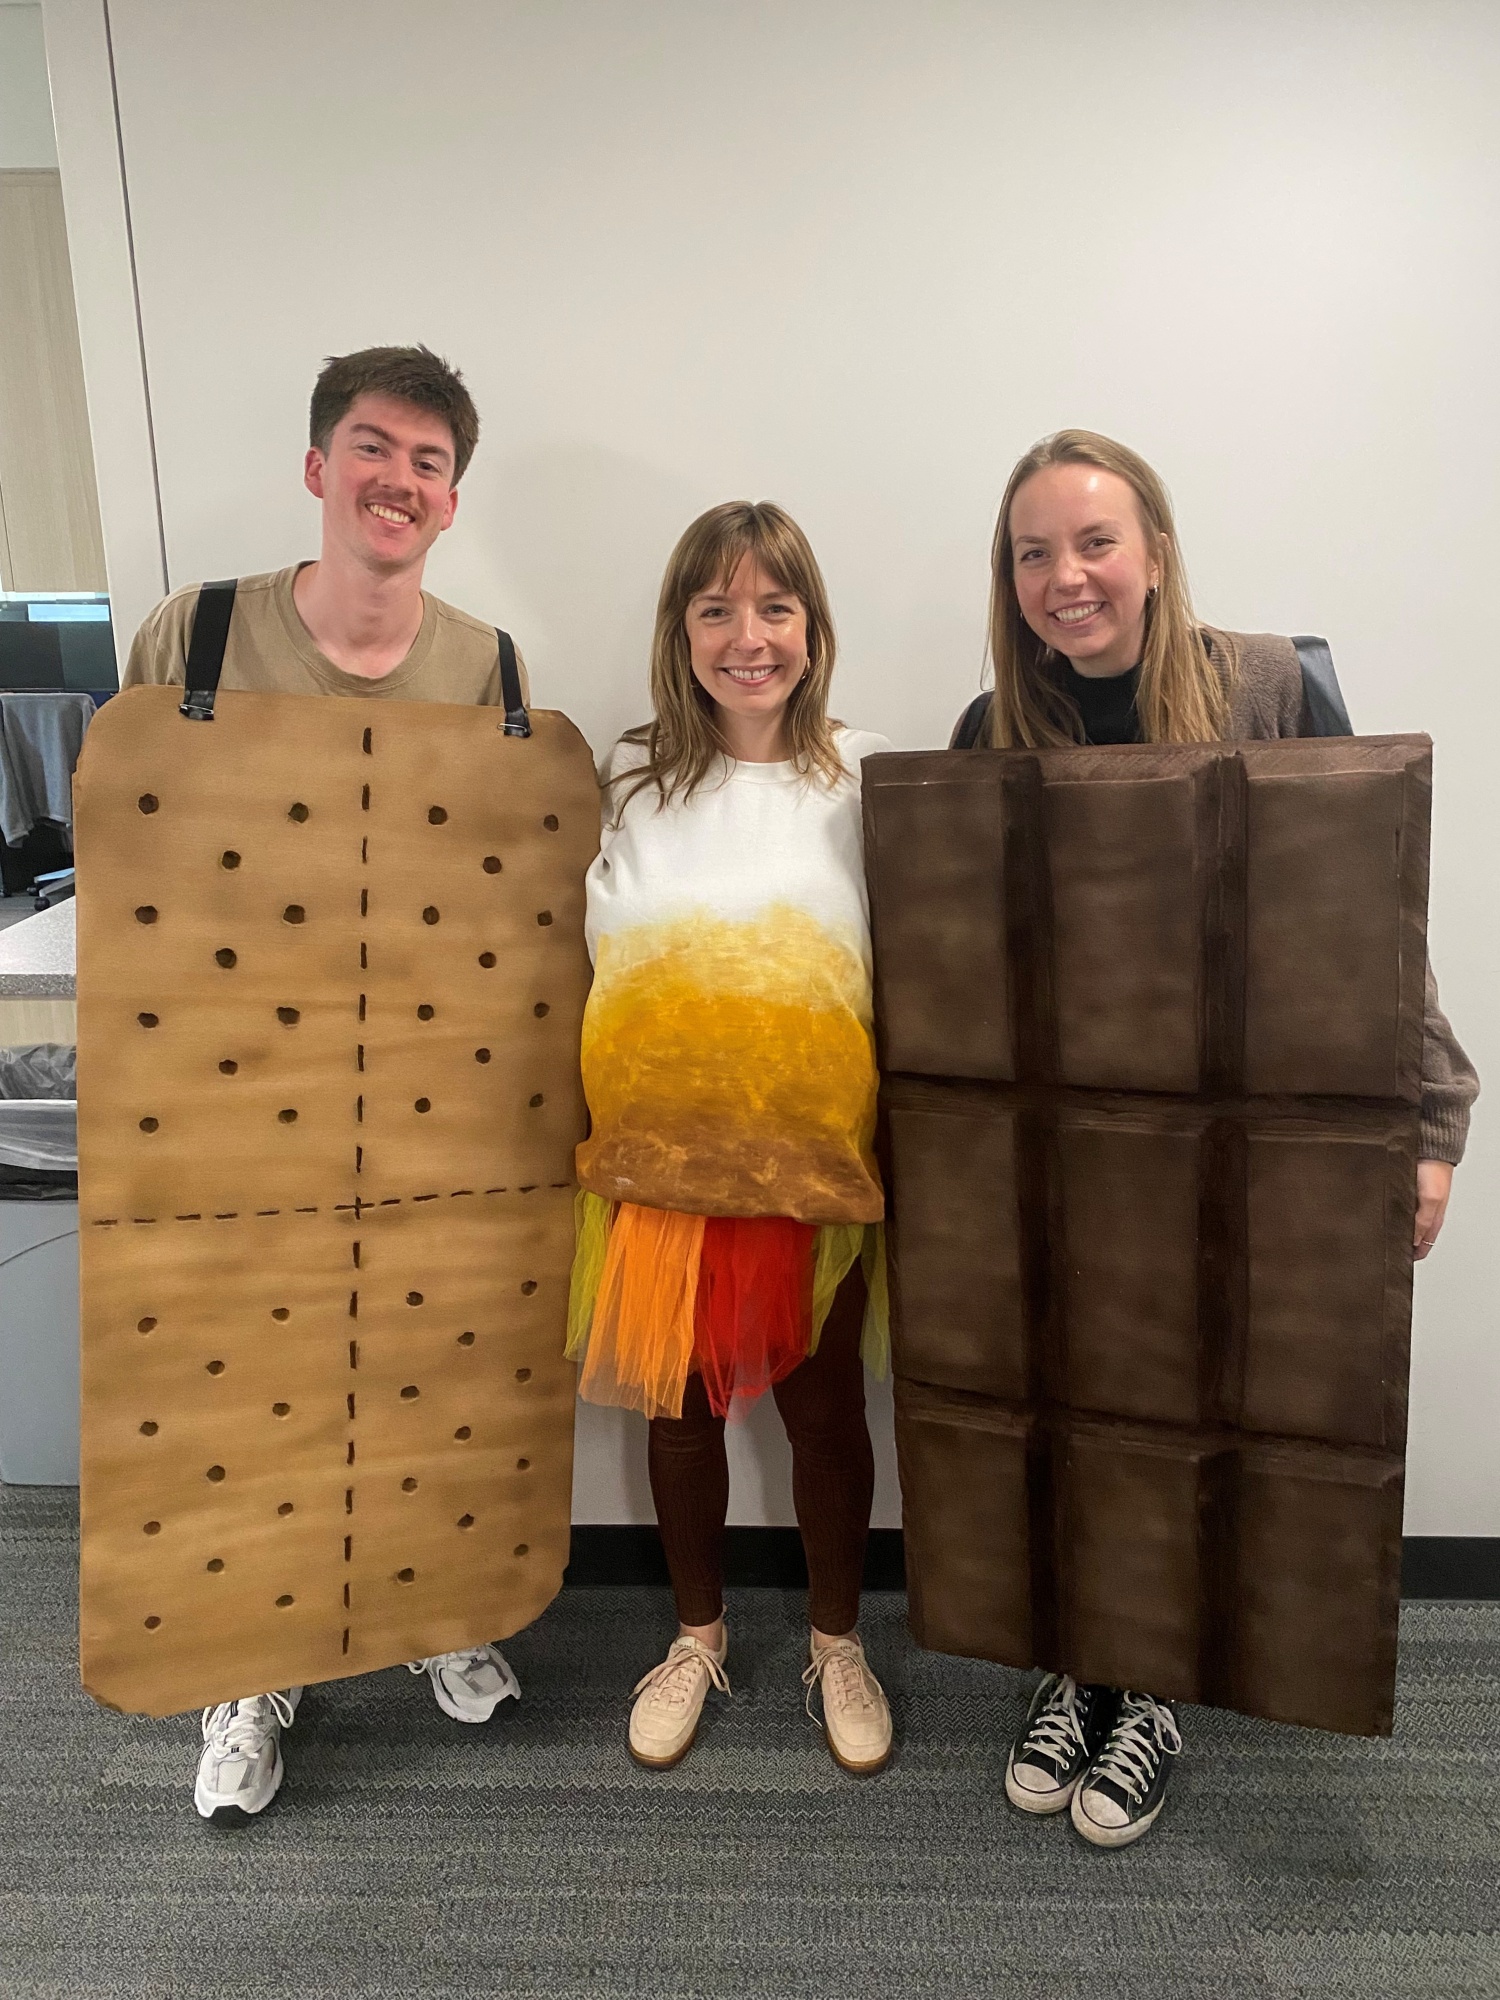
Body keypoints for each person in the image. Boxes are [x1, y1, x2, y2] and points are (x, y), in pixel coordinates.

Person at [950, 428, 1479, 1848]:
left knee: (1197, 1421)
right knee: (1077, 1413)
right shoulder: (992, 728)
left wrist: (1430, 1123)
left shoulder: (1271, 686)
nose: (1067, 577)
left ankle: (1155, 1688)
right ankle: (1084, 1661)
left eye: (1095, 541)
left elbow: (1374, 920)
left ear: (1158, 550)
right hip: (1069, 1157)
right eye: (1034, 553)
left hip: (1242, 1147)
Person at [124, 344, 532, 1822]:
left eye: (428, 462)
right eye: (372, 447)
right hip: (232, 1086)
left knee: (413, 1362)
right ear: (318, 467)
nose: (397, 481)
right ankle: (254, 1662)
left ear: (453, 498)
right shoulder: (197, 635)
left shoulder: (486, 666)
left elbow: (496, 882)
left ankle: (421, 1605)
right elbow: (130, 844)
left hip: (413, 1082)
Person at [566, 501, 895, 1774]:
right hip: (659, 1166)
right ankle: (696, 1634)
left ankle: (837, 1641)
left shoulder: (866, 778)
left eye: (774, 606)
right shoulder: (624, 776)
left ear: (813, 626)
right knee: (681, 1413)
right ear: (681, 628)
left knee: (827, 1415)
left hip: (812, 1166)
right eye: (717, 609)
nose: (747, 637)